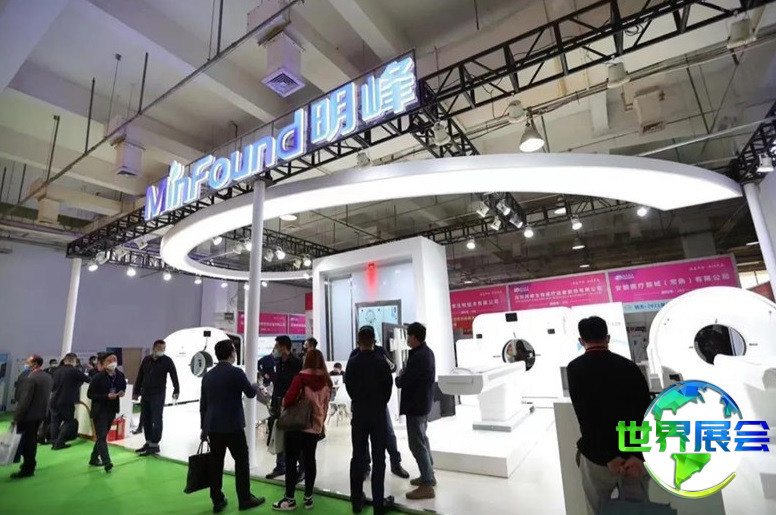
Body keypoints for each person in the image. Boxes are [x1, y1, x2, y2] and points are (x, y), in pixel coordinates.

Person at [567, 316, 652, 513]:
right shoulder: (629, 367)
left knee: (597, 508)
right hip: (631, 455)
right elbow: (645, 412)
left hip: (597, 458)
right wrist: (638, 455)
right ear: (608, 337)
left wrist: (608, 456)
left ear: (581, 341)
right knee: (637, 509)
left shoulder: (575, 368)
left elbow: (586, 417)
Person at [200, 339, 264, 512]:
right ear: (231, 353)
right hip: (233, 425)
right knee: (241, 461)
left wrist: (203, 428)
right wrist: (254, 385)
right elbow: (250, 393)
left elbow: (203, 405)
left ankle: (217, 500)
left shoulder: (208, 376)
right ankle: (244, 499)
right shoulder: (236, 373)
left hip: (213, 426)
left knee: (216, 463)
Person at [272, 349, 331, 511]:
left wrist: (284, 403)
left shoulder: (300, 378)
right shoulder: (326, 381)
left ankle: (290, 499)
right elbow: (325, 406)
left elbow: (288, 400)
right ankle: (308, 498)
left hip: (296, 426)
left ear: (307, 361)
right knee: (310, 460)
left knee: (291, 461)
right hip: (314, 427)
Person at [346, 326, 395, 515]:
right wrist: (379, 403)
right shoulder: (381, 362)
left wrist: (358, 400)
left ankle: (356, 502)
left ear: (358, 341)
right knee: (379, 458)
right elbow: (388, 389)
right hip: (378, 414)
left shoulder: (352, 362)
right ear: (374, 340)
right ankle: (378, 506)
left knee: (357, 457)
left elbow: (349, 386)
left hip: (359, 413)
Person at [348, 342, 409, 480]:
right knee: (363, 438)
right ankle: (366, 466)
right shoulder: (355, 355)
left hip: (378, 405)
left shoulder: (380, 353)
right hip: (361, 404)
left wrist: (382, 400)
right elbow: (349, 381)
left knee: (388, 434)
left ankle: (395, 463)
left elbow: (391, 371)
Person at [396, 322, 437, 500]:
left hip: (416, 405)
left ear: (414, 337)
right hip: (422, 404)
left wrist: (399, 378)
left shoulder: (418, 357)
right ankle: (429, 475)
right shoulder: (427, 353)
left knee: (416, 444)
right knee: (423, 440)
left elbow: (405, 380)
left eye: (408, 335)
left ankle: (427, 484)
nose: (407, 339)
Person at [133, 339, 180, 456]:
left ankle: (155, 445)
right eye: (160, 348)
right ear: (154, 348)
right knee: (146, 418)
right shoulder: (146, 360)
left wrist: (176, 389)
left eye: (164, 348)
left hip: (158, 394)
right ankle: (148, 442)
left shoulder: (167, 361)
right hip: (146, 393)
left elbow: (174, 375)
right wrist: (136, 391)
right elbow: (140, 375)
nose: (162, 350)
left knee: (157, 419)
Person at [265, 335, 303, 480]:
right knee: (278, 433)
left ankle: (301, 467)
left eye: (277, 346)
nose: (275, 349)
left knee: (294, 436)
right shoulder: (277, 362)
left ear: (283, 347)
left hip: (293, 405)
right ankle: (281, 465)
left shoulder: (297, 363)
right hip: (278, 403)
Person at [10, 355, 53, 479]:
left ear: (35, 364)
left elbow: (24, 401)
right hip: (40, 414)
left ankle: (28, 468)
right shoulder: (47, 377)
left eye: (28, 362)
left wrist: (16, 417)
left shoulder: (30, 378)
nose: (26, 363)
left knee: (26, 443)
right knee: (32, 440)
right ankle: (30, 464)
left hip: (27, 415)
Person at [86, 354, 126, 473]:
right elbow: (90, 394)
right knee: (102, 436)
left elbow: (122, 387)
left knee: (102, 436)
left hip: (112, 409)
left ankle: (94, 458)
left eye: (115, 359)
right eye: (109, 360)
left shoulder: (119, 375)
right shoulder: (98, 377)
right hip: (99, 410)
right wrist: (106, 396)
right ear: (103, 364)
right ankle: (107, 462)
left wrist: (122, 392)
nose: (113, 362)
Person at [50, 352, 90, 450]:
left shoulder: (56, 371)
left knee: (55, 422)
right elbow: (89, 380)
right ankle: (59, 442)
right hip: (66, 401)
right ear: (74, 361)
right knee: (69, 421)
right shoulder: (74, 371)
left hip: (53, 400)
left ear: (64, 360)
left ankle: (54, 442)